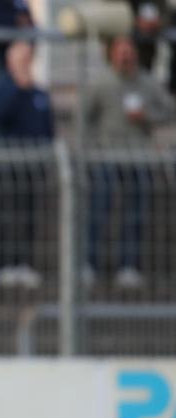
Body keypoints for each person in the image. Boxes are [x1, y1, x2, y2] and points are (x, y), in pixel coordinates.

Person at [85, 35, 174, 289]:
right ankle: (90, 265)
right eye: (120, 51)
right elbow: (85, 117)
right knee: (98, 212)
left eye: (129, 51)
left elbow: (168, 111)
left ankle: (129, 266)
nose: (125, 56)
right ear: (112, 54)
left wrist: (147, 116)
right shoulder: (101, 82)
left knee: (134, 214)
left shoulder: (146, 81)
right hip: (106, 157)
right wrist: (92, 147)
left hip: (138, 157)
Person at [0, 41, 54, 289]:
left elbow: (47, 128)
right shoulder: (3, 87)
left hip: (32, 166)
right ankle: (4, 264)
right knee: (6, 215)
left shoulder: (39, 93)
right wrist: (17, 87)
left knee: (27, 216)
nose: (25, 61)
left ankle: (24, 263)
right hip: (8, 165)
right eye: (20, 57)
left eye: (28, 56)